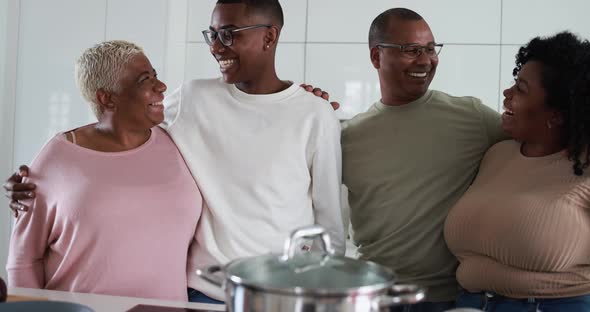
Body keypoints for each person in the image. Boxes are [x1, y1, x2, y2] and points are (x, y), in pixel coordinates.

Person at [4, 0, 345, 303]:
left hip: (278, 295)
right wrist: (47, 174)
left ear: (269, 37)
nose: (216, 47)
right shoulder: (193, 99)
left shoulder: (314, 115)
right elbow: (118, 121)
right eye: (210, 34)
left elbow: (329, 224)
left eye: (228, 34)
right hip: (202, 293)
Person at [337, 8, 507, 312]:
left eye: (430, 49)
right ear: (376, 57)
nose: (426, 60)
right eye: (411, 50)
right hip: (372, 294)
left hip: (447, 298)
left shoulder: (472, 118)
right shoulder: (347, 135)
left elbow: (541, 144)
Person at [5, 40, 202, 301]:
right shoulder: (57, 157)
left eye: (155, 75)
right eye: (145, 80)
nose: (161, 86)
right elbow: (24, 259)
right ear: (106, 97)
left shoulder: (176, 140)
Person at [444, 31, 590, 312]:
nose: (507, 93)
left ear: (556, 114)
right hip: (470, 303)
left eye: (521, 89)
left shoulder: (584, 169)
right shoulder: (497, 154)